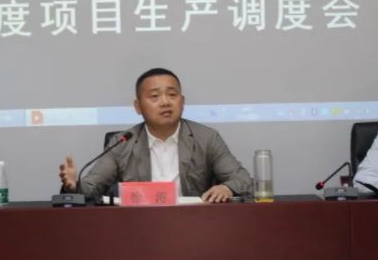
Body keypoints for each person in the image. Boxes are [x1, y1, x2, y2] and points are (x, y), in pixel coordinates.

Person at [58, 68, 253, 203]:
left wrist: (227, 188)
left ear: (182, 102)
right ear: (138, 106)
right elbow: (91, 188)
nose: (165, 102)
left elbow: (243, 179)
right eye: (154, 96)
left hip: (194, 224)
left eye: (172, 95)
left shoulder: (207, 138)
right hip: (139, 226)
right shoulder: (123, 142)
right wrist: (74, 185)